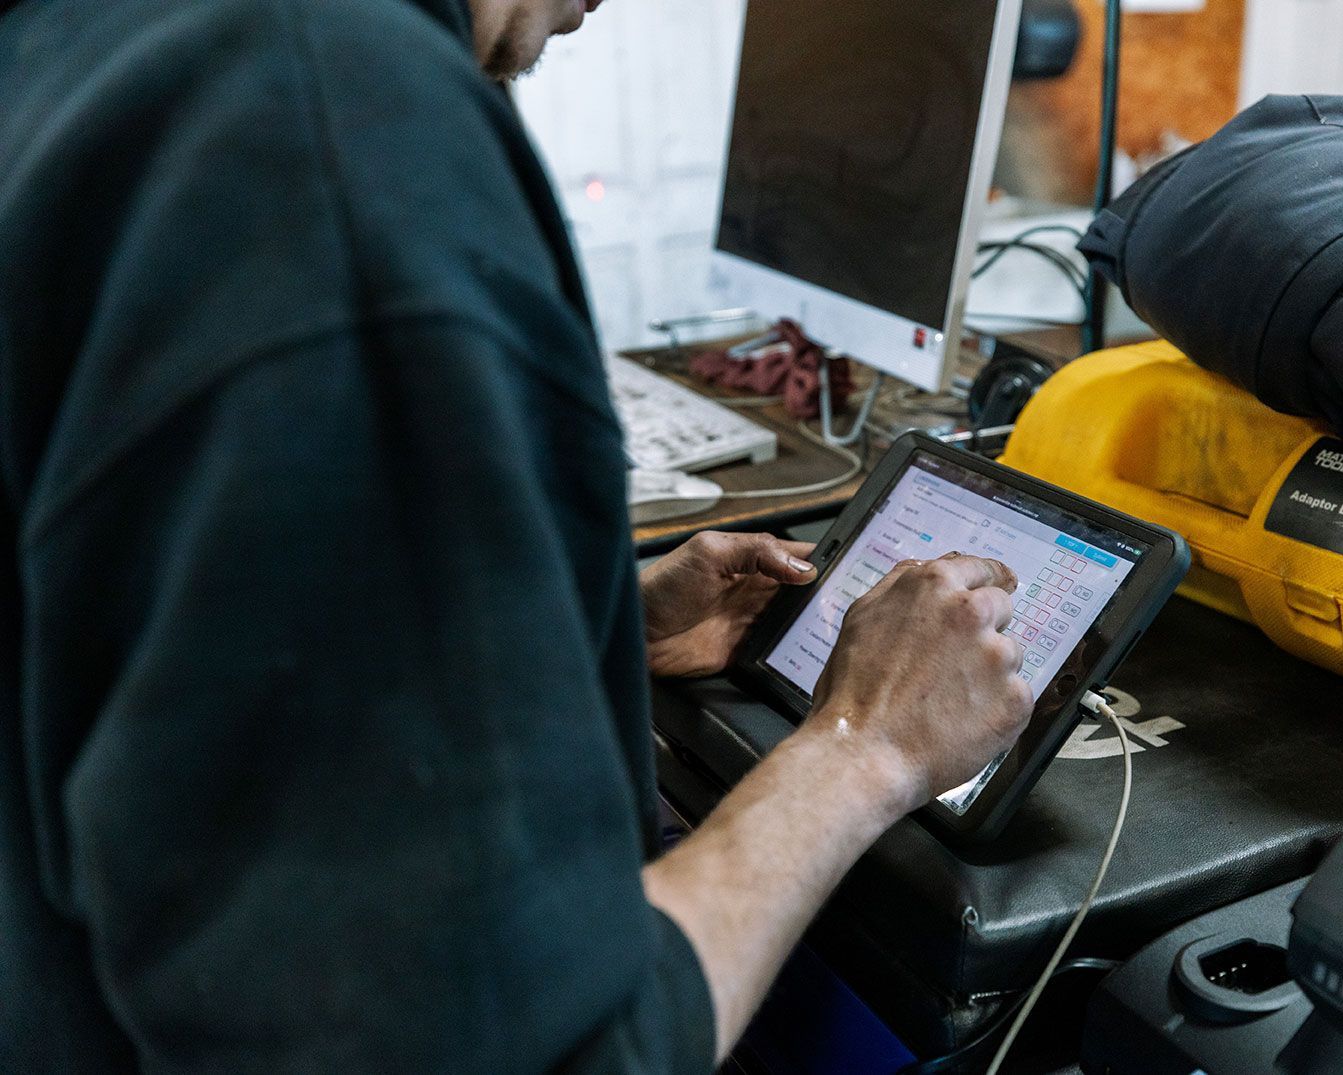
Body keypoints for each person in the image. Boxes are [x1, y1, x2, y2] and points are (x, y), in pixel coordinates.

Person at [0, 0, 1034, 1068]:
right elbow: (511, 1047)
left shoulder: (116, 41)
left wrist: (592, 628)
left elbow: (184, 645)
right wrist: (863, 746)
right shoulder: (327, 134)